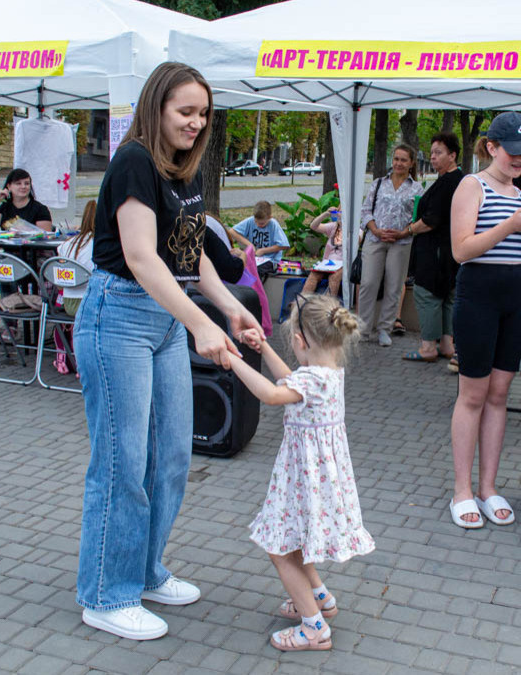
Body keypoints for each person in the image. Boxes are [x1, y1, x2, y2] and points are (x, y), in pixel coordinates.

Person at [75, 62, 263, 641]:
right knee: (122, 464)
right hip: (119, 318)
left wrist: (228, 306)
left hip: (162, 319)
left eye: (203, 113)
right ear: (156, 107)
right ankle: (106, 594)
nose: (196, 122)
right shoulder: (133, 161)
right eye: (185, 111)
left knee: (172, 457)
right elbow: (140, 257)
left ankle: (146, 571)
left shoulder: (184, 171)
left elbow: (187, 254)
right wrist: (199, 326)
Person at [229, 293, 375, 652]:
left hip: (303, 481)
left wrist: (234, 360)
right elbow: (291, 380)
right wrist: (262, 349)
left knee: (280, 549)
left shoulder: (312, 381)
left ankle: (314, 628)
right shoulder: (328, 374)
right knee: (296, 540)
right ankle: (319, 597)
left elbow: (270, 392)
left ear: (299, 341)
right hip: (314, 481)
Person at [446, 112, 521, 529]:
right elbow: (462, 250)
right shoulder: (472, 185)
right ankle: (462, 490)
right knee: (472, 393)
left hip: (515, 294)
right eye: (513, 151)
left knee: (499, 393)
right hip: (479, 293)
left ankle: (488, 486)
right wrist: (510, 225)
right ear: (491, 147)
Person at [402, 132, 463, 362]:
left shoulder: (448, 183)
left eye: (439, 153)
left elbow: (430, 221)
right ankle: (447, 344)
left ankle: (428, 347)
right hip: (451, 251)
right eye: (432, 153)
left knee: (426, 295)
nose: (433, 157)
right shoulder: (460, 180)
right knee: (448, 296)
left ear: (453, 155)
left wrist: (408, 230)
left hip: (436, 252)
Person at [358, 144, 424, 347]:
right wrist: (375, 229)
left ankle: (385, 329)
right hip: (375, 239)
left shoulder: (417, 188)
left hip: (401, 242)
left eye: (404, 160)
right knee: (368, 283)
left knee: (394, 286)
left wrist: (404, 232)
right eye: (396, 159)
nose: (399, 163)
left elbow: (418, 218)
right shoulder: (379, 183)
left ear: (411, 163)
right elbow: (366, 210)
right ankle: (363, 328)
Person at [56, 200, 97, 318]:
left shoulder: (66, 244)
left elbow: (59, 282)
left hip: (68, 301)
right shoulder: (100, 244)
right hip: (90, 302)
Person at [232, 201, 289, 278]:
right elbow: (232, 231)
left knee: (255, 271)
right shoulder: (250, 221)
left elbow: (284, 246)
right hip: (253, 258)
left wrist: (263, 251)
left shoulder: (273, 224)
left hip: (270, 260)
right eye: (256, 222)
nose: (258, 225)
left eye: (262, 223)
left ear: (269, 218)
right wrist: (249, 244)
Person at [0, 168, 54, 232]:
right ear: (9, 186)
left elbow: (46, 237)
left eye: (27, 183)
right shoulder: (4, 207)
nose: (23, 187)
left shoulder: (41, 209)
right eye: (18, 183)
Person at [301, 209, 342, 298]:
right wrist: (326, 214)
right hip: (327, 262)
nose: (339, 215)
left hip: (343, 263)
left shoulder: (356, 229)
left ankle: (328, 306)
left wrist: (345, 226)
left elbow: (358, 239)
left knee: (334, 278)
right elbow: (313, 226)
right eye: (339, 212)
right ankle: (301, 303)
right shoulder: (333, 227)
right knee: (313, 276)